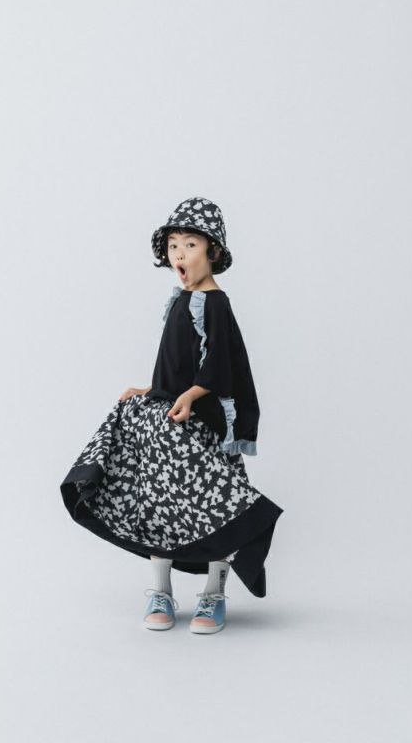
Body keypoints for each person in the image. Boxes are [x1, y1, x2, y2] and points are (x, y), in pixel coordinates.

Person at [60, 197, 283, 634]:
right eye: (173, 245)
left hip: (202, 425)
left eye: (190, 245)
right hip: (169, 418)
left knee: (215, 506)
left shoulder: (214, 303)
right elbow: (175, 359)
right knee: (158, 500)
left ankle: (214, 593)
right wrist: (154, 389)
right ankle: (160, 589)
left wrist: (194, 394)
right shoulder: (181, 299)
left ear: (212, 252)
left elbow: (221, 361)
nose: (179, 254)